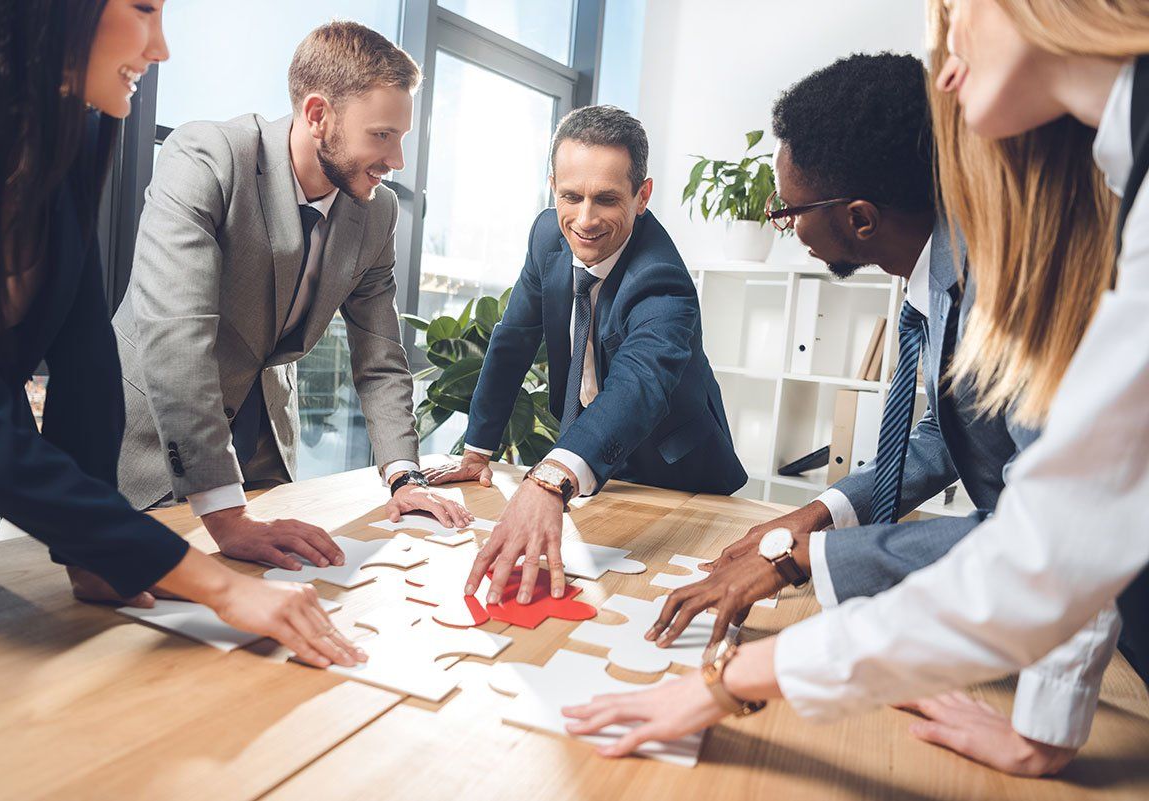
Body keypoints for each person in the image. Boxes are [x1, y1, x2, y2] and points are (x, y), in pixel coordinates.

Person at [563, 0, 1149, 769]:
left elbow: (1051, 534)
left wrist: (745, 657)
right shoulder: (1029, 221)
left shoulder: (1036, 253)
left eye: (955, 18)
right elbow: (965, 448)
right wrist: (820, 515)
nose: (945, 73)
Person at [0, 0, 362, 670]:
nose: (161, 46)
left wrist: (94, 552)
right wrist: (214, 585)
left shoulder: (68, 143)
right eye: (142, 8)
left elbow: (85, 361)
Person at [114, 20, 469, 572]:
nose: (397, 160)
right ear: (318, 114)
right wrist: (227, 517)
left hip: (262, 452)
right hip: (145, 447)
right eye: (381, 135)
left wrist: (404, 474)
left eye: (401, 137)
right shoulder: (205, 157)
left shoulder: (377, 213)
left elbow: (380, 358)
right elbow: (177, 338)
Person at [423, 106, 746, 607]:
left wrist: (549, 478)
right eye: (570, 196)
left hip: (677, 478)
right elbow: (513, 340)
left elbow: (639, 386)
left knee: (637, 606)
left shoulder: (663, 279)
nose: (585, 219)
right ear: (552, 186)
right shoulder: (546, 235)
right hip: (590, 471)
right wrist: (478, 450)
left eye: (607, 199)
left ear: (643, 196)